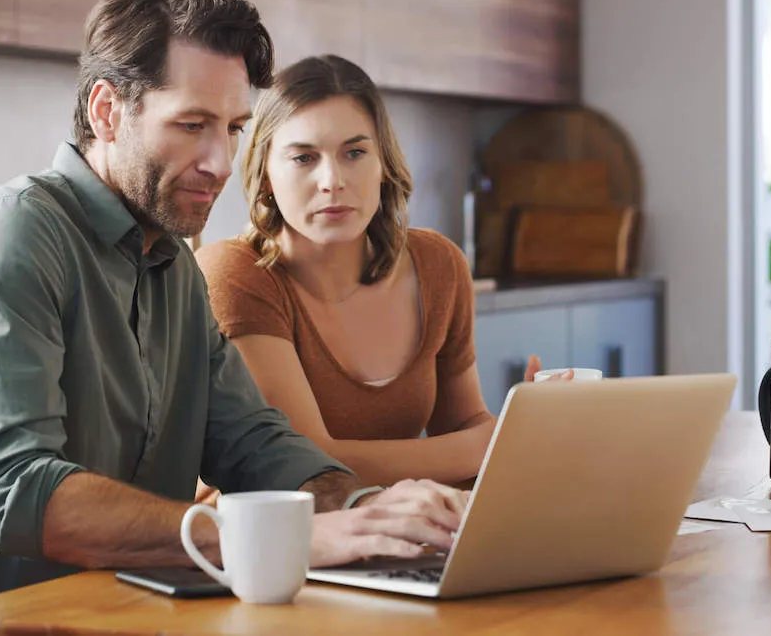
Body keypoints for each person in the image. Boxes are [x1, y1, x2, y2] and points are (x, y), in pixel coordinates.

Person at [0, 0, 465, 635]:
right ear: (107, 110)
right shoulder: (9, 237)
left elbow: (252, 445)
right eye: (192, 125)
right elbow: (13, 495)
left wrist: (371, 510)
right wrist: (274, 539)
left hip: (128, 616)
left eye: (234, 128)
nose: (220, 162)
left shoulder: (172, 264)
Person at [196, 55, 566, 490]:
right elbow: (307, 462)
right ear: (265, 178)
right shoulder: (236, 274)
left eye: (354, 152)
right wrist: (491, 442)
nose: (332, 180)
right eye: (303, 158)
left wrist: (529, 423)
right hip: (268, 545)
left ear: (383, 164)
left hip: (398, 535)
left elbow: (463, 424)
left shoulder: (438, 264)